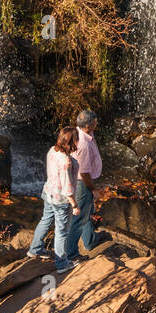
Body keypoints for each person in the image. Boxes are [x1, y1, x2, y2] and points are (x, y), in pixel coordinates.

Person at [27, 126, 80, 274]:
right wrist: (74, 204)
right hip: (61, 200)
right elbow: (67, 188)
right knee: (62, 231)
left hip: (48, 192)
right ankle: (62, 263)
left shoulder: (53, 150)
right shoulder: (65, 162)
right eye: (77, 138)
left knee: (45, 220)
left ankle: (35, 249)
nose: (78, 141)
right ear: (72, 141)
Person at [66, 109, 102, 263]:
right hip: (82, 183)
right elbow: (85, 172)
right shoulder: (84, 145)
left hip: (81, 181)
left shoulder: (84, 134)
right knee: (79, 218)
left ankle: (89, 240)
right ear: (88, 125)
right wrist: (93, 189)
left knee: (87, 212)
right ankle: (72, 253)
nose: (96, 123)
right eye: (94, 121)